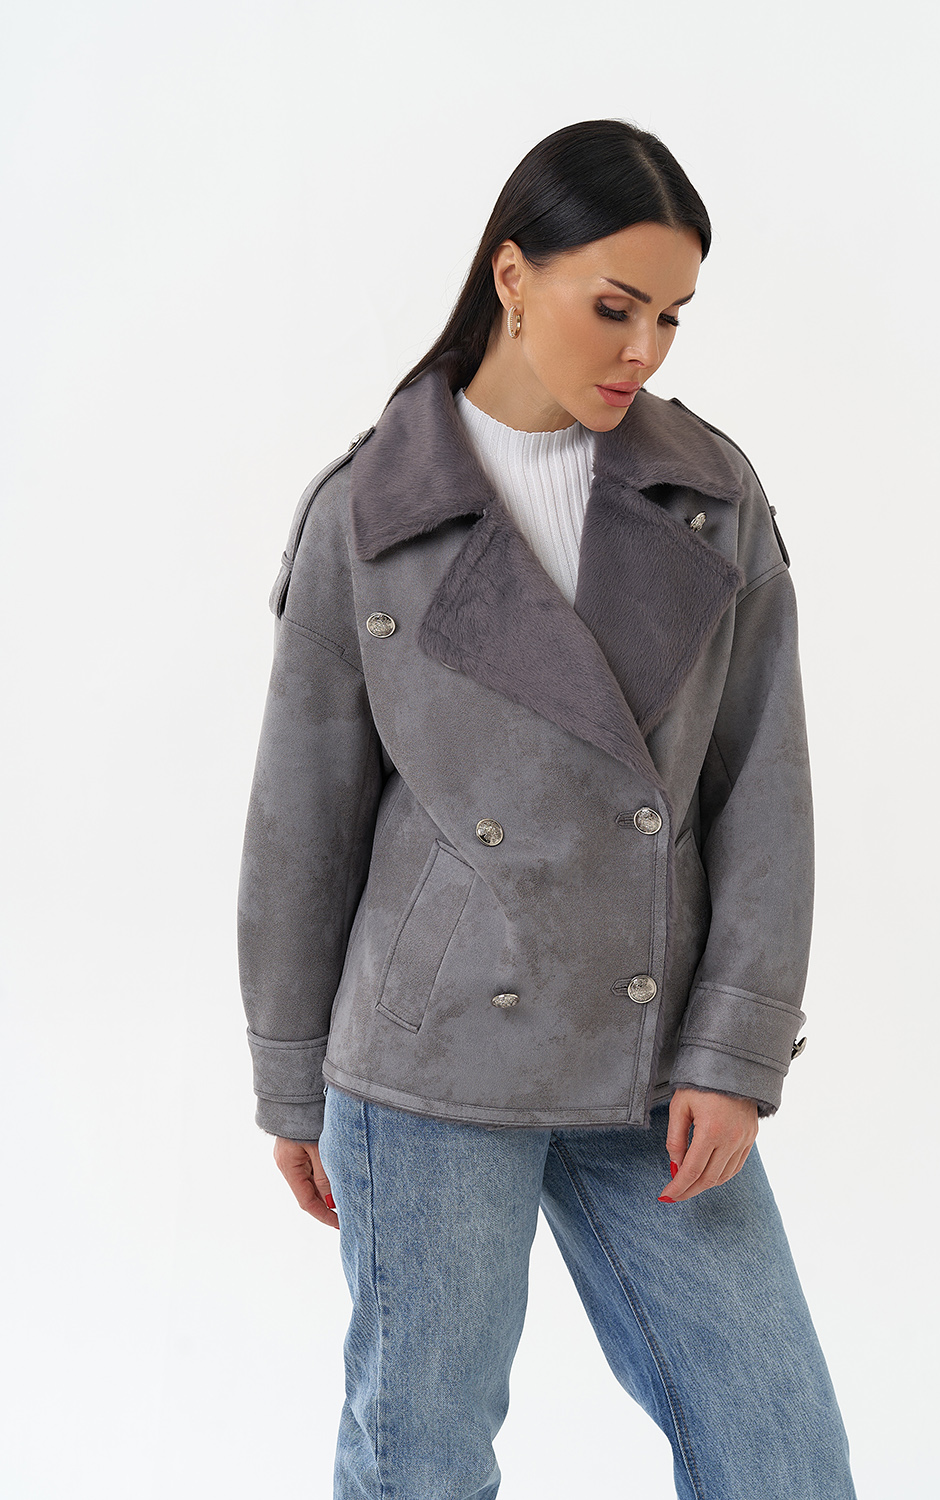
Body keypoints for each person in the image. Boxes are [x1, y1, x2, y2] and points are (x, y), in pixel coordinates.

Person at [238, 118, 857, 1499]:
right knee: (421, 1461)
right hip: (432, 1062)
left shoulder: (710, 495)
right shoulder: (368, 513)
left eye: (672, 318)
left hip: (657, 1061)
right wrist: (290, 1075)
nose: (644, 352)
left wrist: (736, 1052)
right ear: (513, 277)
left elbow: (763, 787)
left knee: (783, 1452)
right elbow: (300, 822)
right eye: (615, 308)